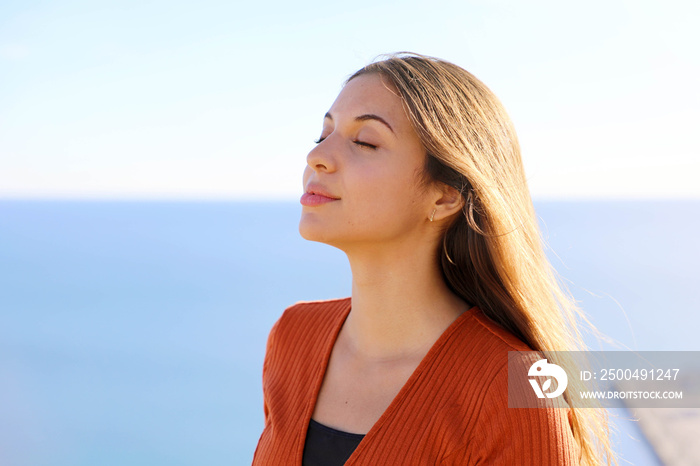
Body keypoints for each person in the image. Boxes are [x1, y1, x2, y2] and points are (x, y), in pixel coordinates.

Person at [252, 52, 615, 465]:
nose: (316, 156)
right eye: (323, 135)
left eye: (365, 141)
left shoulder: (521, 385)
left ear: (445, 196)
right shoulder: (293, 337)